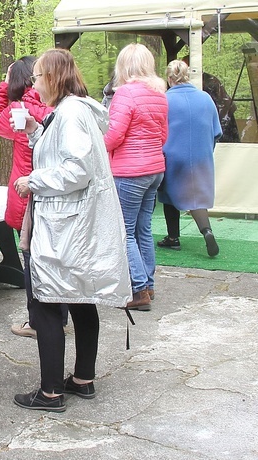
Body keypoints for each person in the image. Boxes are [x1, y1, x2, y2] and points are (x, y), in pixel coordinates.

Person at [11, 48, 131, 412]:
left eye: (39, 78)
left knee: (47, 303)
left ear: (55, 78)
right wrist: (35, 130)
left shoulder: (72, 113)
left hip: (66, 227)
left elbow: (77, 169)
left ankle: (50, 392)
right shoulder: (68, 112)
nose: (35, 84)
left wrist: (34, 180)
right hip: (73, 224)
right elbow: (61, 153)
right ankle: (83, 379)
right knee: (80, 298)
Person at [0, 56, 57, 339]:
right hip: (57, 194)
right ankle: (58, 316)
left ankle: (38, 322)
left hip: (29, 194)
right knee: (54, 259)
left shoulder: (19, 109)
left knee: (32, 262)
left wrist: (3, 87)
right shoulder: (56, 104)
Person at [103, 43, 168, 310]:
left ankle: (138, 290)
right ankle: (149, 285)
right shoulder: (160, 94)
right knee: (144, 229)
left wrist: (97, 145)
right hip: (155, 169)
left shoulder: (125, 94)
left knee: (124, 232)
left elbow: (114, 135)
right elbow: (163, 135)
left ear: (124, 66)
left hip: (130, 172)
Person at [158, 60, 222, 257]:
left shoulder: (165, 100)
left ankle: (173, 238)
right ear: (187, 75)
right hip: (201, 156)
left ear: (169, 79)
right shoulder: (205, 98)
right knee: (196, 196)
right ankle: (207, 230)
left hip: (173, 156)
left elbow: (159, 131)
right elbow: (216, 131)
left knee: (169, 195)